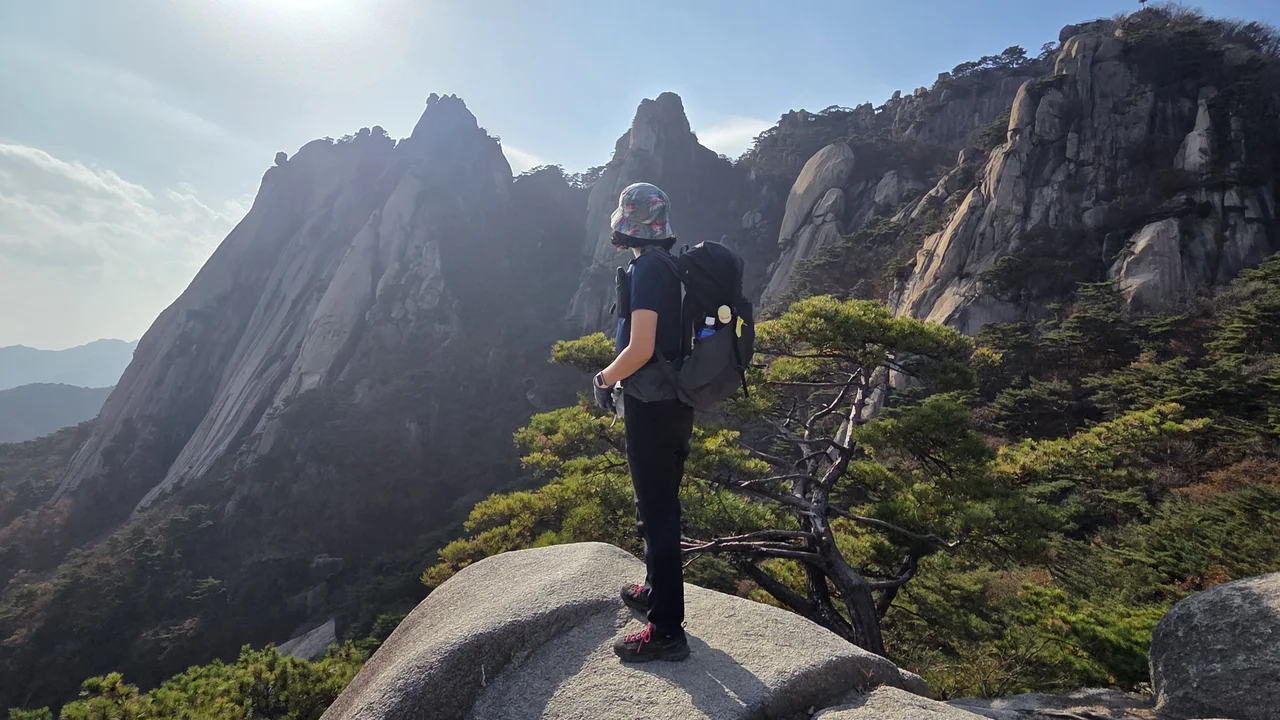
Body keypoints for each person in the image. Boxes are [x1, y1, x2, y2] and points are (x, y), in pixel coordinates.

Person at [593, 182, 695, 663]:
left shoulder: (651, 270)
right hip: (672, 401)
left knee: (657, 514)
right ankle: (656, 592)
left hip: (651, 403)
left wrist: (605, 377)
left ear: (628, 224)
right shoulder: (668, 266)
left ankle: (667, 631)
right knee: (657, 505)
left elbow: (641, 347)